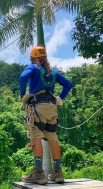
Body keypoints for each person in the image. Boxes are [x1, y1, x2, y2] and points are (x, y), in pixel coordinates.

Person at [19, 46, 73, 185]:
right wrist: (60, 98)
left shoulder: (33, 68)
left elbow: (23, 77)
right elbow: (68, 84)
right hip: (52, 107)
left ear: (33, 58)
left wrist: (23, 94)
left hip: (39, 106)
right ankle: (57, 172)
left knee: (36, 136)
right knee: (52, 138)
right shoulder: (53, 72)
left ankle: (38, 173)